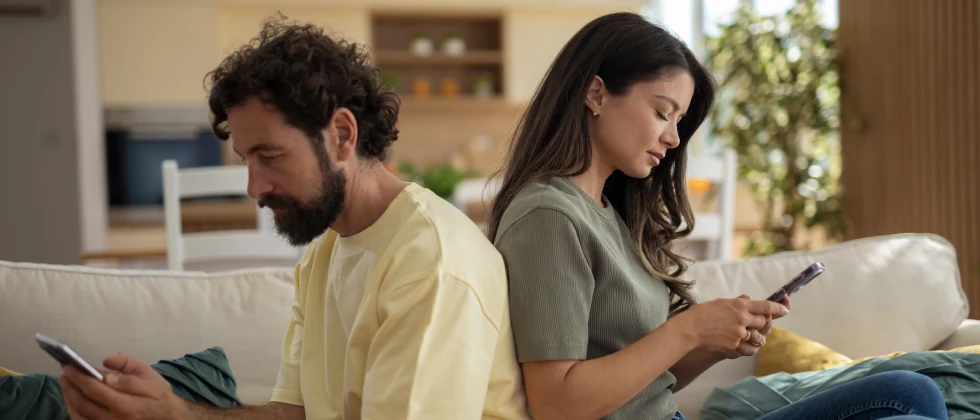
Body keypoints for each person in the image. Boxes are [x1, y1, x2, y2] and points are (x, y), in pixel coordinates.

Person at [58, 16, 530, 420]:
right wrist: (175, 410)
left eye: (270, 155)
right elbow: (293, 414)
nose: (254, 188)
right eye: (246, 159)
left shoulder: (430, 262)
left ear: (342, 134)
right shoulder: (324, 254)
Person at [487, 12, 947, 420]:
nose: (672, 139)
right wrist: (687, 329)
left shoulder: (609, 212)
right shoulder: (549, 215)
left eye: (679, 123)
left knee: (910, 390)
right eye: (662, 113)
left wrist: (708, 347)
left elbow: (641, 385)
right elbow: (557, 405)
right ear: (595, 93)